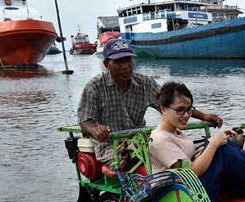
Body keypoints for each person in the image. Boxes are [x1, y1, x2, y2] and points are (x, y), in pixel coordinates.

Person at [77, 38, 222, 166]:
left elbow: (172, 104)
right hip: (111, 146)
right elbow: (84, 121)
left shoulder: (144, 83)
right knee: (140, 161)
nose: (125, 66)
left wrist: (203, 116)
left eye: (128, 60)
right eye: (119, 61)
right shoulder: (94, 87)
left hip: (142, 140)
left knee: (180, 150)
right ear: (107, 64)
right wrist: (95, 130)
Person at [148, 81, 245, 202]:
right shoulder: (160, 140)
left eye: (189, 110)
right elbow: (190, 173)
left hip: (190, 189)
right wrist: (213, 144)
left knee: (224, 145)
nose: (186, 115)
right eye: (180, 110)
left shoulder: (176, 132)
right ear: (163, 109)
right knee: (220, 148)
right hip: (182, 199)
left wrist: (215, 142)